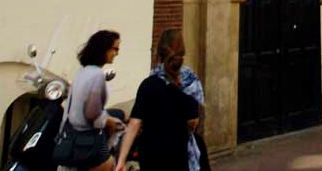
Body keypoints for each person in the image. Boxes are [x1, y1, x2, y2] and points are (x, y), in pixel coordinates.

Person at [116, 30, 200, 171]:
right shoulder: (189, 82)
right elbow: (193, 121)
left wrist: (121, 160)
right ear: (182, 52)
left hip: (151, 153)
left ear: (158, 52)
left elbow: (135, 123)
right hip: (178, 153)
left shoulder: (148, 84)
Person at [58, 30, 124, 171]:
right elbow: (92, 113)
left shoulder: (82, 72)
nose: (117, 53)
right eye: (115, 48)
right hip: (86, 145)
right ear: (104, 48)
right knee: (110, 164)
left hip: (70, 141)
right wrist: (110, 122)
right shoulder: (97, 75)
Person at [149, 29, 210, 171]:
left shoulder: (152, 77)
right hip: (182, 149)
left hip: (156, 150)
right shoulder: (189, 77)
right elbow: (193, 120)